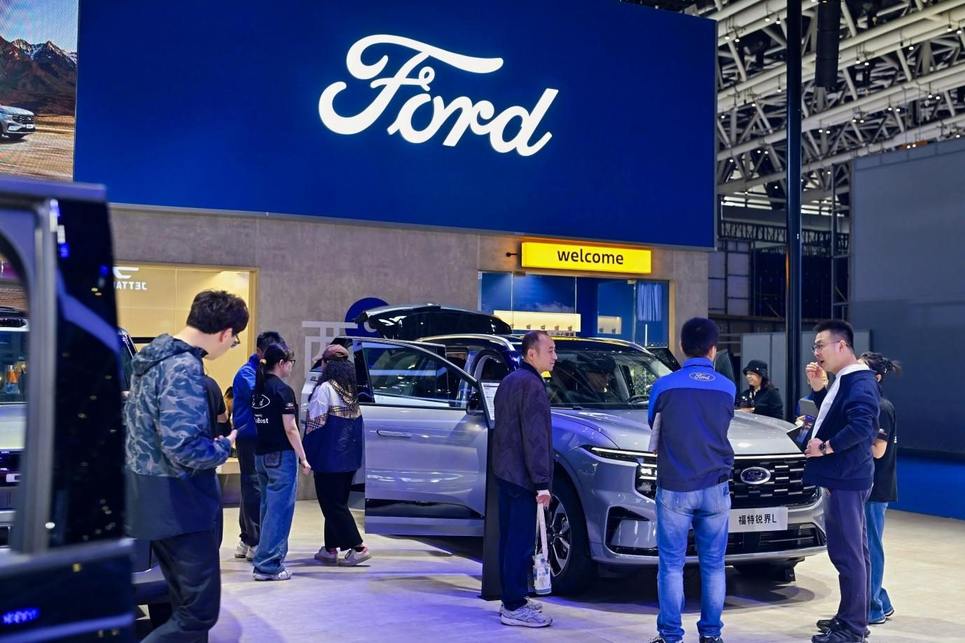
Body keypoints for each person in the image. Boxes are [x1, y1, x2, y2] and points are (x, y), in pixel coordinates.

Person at [124, 289, 248, 641]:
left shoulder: (151, 361)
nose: (231, 345)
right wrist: (224, 446)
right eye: (234, 339)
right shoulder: (183, 367)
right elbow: (184, 446)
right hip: (180, 502)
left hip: (152, 497)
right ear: (225, 332)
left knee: (181, 606)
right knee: (198, 613)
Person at [646, 317, 735, 643]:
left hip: (675, 486)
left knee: (671, 565)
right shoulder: (728, 387)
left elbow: (653, 423)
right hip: (716, 486)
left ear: (682, 347)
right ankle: (711, 635)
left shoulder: (664, 385)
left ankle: (671, 636)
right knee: (714, 565)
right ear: (713, 349)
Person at [804, 320, 880, 643]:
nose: (816, 352)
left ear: (842, 345)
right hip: (845, 476)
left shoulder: (859, 381)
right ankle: (851, 617)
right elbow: (838, 416)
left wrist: (824, 447)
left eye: (821, 345)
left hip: (847, 477)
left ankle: (852, 628)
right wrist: (819, 389)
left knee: (848, 554)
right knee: (854, 552)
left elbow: (863, 426)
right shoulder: (846, 379)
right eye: (815, 346)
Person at [492, 330, 556, 628]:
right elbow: (535, 438)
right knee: (520, 544)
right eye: (550, 350)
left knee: (510, 541)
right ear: (532, 353)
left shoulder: (509, 381)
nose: (554, 356)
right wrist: (542, 483)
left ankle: (511, 597)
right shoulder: (532, 385)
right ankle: (514, 605)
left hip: (506, 474)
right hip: (523, 478)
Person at [251, 342, 312, 581]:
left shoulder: (258, 388)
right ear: (281, 363)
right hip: (280, 457)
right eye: (290, 363)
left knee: (268, 510)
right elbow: (290, 428)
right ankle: (268, 565)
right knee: (279, 512)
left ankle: (266, 560)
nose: (291, 367)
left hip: (260, 455)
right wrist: (303, 457)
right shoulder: (283, 391)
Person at [304, 355, 370, 566]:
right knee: (337, 502)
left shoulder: (325, 389)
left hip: (328, 457)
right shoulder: (352, 391)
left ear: (327, 365)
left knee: (331, 505)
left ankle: (358, 547)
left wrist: (305, 455)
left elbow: (315, 425)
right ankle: (330, 549)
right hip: (349, 458)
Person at [231, 330, 285, 560]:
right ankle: (254, 540)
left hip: (262, 436)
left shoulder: (263, 372)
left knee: (253, 487)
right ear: (260, 352)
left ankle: (247, 537)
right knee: (253, 487)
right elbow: (264, 397)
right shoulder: (247, 373)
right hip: (250, 437)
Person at [859, 352, 901, 627]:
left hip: (876, 487)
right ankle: (881, 600)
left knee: (871, 546)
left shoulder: (881, 408)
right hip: (867, 485)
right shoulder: (870, 404)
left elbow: (878, 451)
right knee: (866, 545)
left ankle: (872, 607)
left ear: (875, 377)